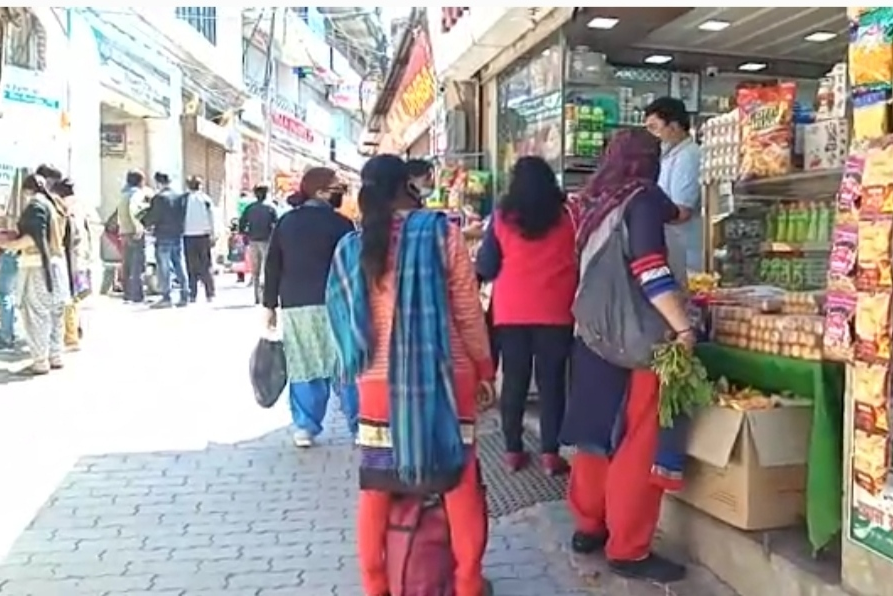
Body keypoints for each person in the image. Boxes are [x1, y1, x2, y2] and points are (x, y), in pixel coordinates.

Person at [326, 155, 495, 596]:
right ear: (408, 186)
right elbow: (467, 312)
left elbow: (343, 321)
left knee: (376, 488)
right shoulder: (444, 235)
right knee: (459, 484)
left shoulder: (353, 247)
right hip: (446, 377)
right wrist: (483, 368)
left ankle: (375, 586)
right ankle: (468, 585)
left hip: (376, 384)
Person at [562, 129, 692, 583]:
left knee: (595, 438)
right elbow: (650, 269)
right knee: (638, 444)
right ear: (650, 162)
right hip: (635, 343)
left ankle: (588, 527)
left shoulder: (596, 201)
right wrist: (683, 326)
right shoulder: (640, 199)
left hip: (592, 337)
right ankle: (629, 548)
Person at [475, 156, 576, 476]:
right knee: (552, 384)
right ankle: (550, 453)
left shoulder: (502, 218)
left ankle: (513, 451)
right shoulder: (568, 216)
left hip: (511, 311)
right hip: (557, 310)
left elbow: (487, 266)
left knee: (515, 382)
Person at [264, 167, 358, 448]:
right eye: (335, 187)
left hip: (296, 304)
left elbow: (273, 266)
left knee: (304, 364)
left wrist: (269, 305)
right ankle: (359, 426)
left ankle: (305, 427)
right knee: (345, 364)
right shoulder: (343, 225)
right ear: (319, 191)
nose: (339, 192)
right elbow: (353, 268)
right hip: (338, 305)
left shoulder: (286, 223)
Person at [0, 174, 72, 375]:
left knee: (36, 313)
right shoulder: (55, 204)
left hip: (37, 265)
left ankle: (40, 360)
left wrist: (8, 244)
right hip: (57, 264)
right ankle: (55, 355)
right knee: (55, 312)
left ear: (27, 190)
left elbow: (33, 238)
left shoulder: (35, 206)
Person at [644, 96, 702, 274]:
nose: (650, 135)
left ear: (674, 127)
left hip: (687, 256)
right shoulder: (669, 156)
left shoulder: (688, 156)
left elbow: (682, 211)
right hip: (674, 252)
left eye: (654, 128)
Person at [143, 172, 188, 308]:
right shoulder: (180, 197)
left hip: (163, 235)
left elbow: (153, 217)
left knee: (164, 267)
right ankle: (185, 294)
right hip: (177, 235)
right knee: (179, 265)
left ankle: (166, 297)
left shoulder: (159, 198)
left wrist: (144, 221)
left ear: (158, 182)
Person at [55, 178, 90, 349]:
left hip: (71, 257)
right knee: (76, 295)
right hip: (81, 255)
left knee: (69, 296)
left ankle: (71, 335)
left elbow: (68, 237)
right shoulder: (81, 205)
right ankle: (76, 328)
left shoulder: (65, 208)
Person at [238, 184, 278, 304]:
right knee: (267, 269)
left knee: (255, 270)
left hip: (253, 240)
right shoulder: (271, 208)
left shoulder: (250, 208)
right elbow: (276, 224)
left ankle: (257, 296)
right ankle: (267, 295)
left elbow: (242, 223)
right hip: (267, 241)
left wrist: (245, 233)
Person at [182, 175, 217, 303]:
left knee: (190, 266)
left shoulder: (184, 199)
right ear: (200, 185)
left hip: (188, 236)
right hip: (204, 235)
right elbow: (212, 217)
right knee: (206, 265)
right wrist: (213, 234)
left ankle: (192, 293)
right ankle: (210, 293)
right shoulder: (205, 199)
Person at [117, 170, 149, 304]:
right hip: (134, 232)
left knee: (127, 264)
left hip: (124, 231)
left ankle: (128, 293)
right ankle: (137, 295)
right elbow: (134, 211)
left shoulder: (123, 194)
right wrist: (138, 228)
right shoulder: (136, 194)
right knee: (137, 265)